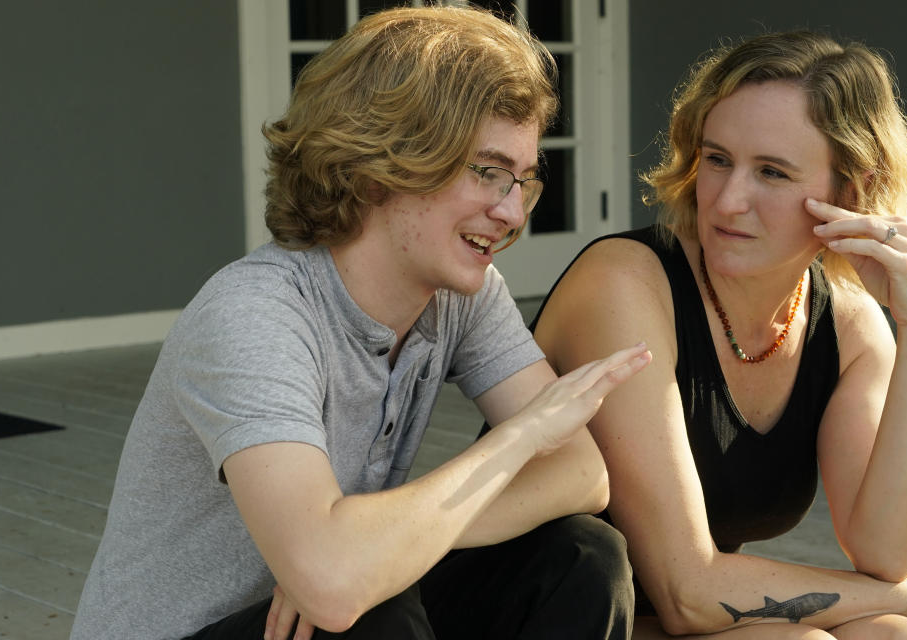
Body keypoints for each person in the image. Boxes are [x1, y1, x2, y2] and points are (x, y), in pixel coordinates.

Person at [69, 6, 652, 640]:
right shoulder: (254, 314)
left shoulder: (463, 293)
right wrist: (519, 439)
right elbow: (338, 589)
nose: (512, 212)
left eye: (523, 180)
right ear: (383, 165)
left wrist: (365, 544)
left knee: (581, 557)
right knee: (370, 610)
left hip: (321, 606)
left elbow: (583, 475)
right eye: (487, 172)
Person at [529, 31, 907, 639]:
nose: (726, 201)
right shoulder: (625, 285)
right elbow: (687, 589)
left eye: (771, 172)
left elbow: (884, 551)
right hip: (547, 614)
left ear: (850, 191)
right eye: (717, 159)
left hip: (675, 614)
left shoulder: (848, 324)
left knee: (891, 634)